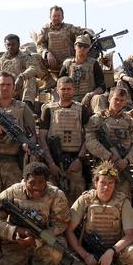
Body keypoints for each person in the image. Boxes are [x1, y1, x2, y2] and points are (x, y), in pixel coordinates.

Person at [0, 162, 70, 265]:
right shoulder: (12, 192)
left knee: (58, 246)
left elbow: (61, 223)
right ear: (25, 180)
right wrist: (14, 232)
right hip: (15, 242)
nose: (36, 187)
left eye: (41, 182)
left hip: (43, 238)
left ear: (47, 182)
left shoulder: (56, 195)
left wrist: (38, 239)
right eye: (32, 182)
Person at [65, 162, 133, 265]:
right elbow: (69, 230)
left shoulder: (123, 202)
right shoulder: (85, 200)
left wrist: (111, 251)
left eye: (111, 183)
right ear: (96, 182)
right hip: (89, 253)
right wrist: (84, 255)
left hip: (114, 253)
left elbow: (130, 235)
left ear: (115, 185)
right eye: (103, 182)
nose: (106, 187)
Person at [0, 72, 37, 211]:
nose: (5, 88)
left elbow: (32, 134)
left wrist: (27, 145)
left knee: (15, 203)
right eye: (2, 84)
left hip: (13, 163)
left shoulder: (22, 108)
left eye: (8, 85)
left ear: (13, 87)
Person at [39, 76, 91, 204]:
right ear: (57, 90)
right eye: (63, 89)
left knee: (77, 200)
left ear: (73, 90)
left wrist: (79, 159)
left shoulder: (82, 109)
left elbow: (89, 137)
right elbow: (41, 138)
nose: (66, 91)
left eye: (69, 89)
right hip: (54, 162)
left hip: (74, 162)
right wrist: (50, 163)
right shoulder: (48, 109)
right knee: (51, 201)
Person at [85, 87, 133, 197]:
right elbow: (90, 141)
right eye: (116, 99)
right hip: (103, 168)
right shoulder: (97, 119)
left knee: (123, 199)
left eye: (122, 100)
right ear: (110, 99)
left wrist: (126, 161)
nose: (119, 103)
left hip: (122, 168)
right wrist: (109, 156)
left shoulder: (129, 121)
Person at [0, 33, 40, 107]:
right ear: (5, 45)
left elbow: (34, 68)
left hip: (20, 89)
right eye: (8, 45)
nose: (11, 47)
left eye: (13, 44)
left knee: (31, 78)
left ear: (18, 44)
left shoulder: (25, 57)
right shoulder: (1, 61)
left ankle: (28, 106)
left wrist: (22, 77)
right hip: (5, 89)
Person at [35, 5, 88, 77]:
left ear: (62, 17)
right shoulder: (45, 30)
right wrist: (47, 53)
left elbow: (82, 31)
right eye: (54, 16)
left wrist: (88, 34)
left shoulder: (69, 28)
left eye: (59, 16)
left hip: (68, 60)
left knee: (72, 62)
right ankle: (48, 80)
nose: (56, 18)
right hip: (51, 61)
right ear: (50, 17)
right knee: (34, 57)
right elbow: (40, 45)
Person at [58, 34, 105, 109]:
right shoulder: (67, 64)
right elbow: (59, 83)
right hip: (70, 98)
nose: (82, 48)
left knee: (99, 98)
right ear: (75, 47)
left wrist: (90, 95)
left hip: (89, 99)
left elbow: (102, 87)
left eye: (85, 46)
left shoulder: (94, 64)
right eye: (80, 45)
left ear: (89, 48)